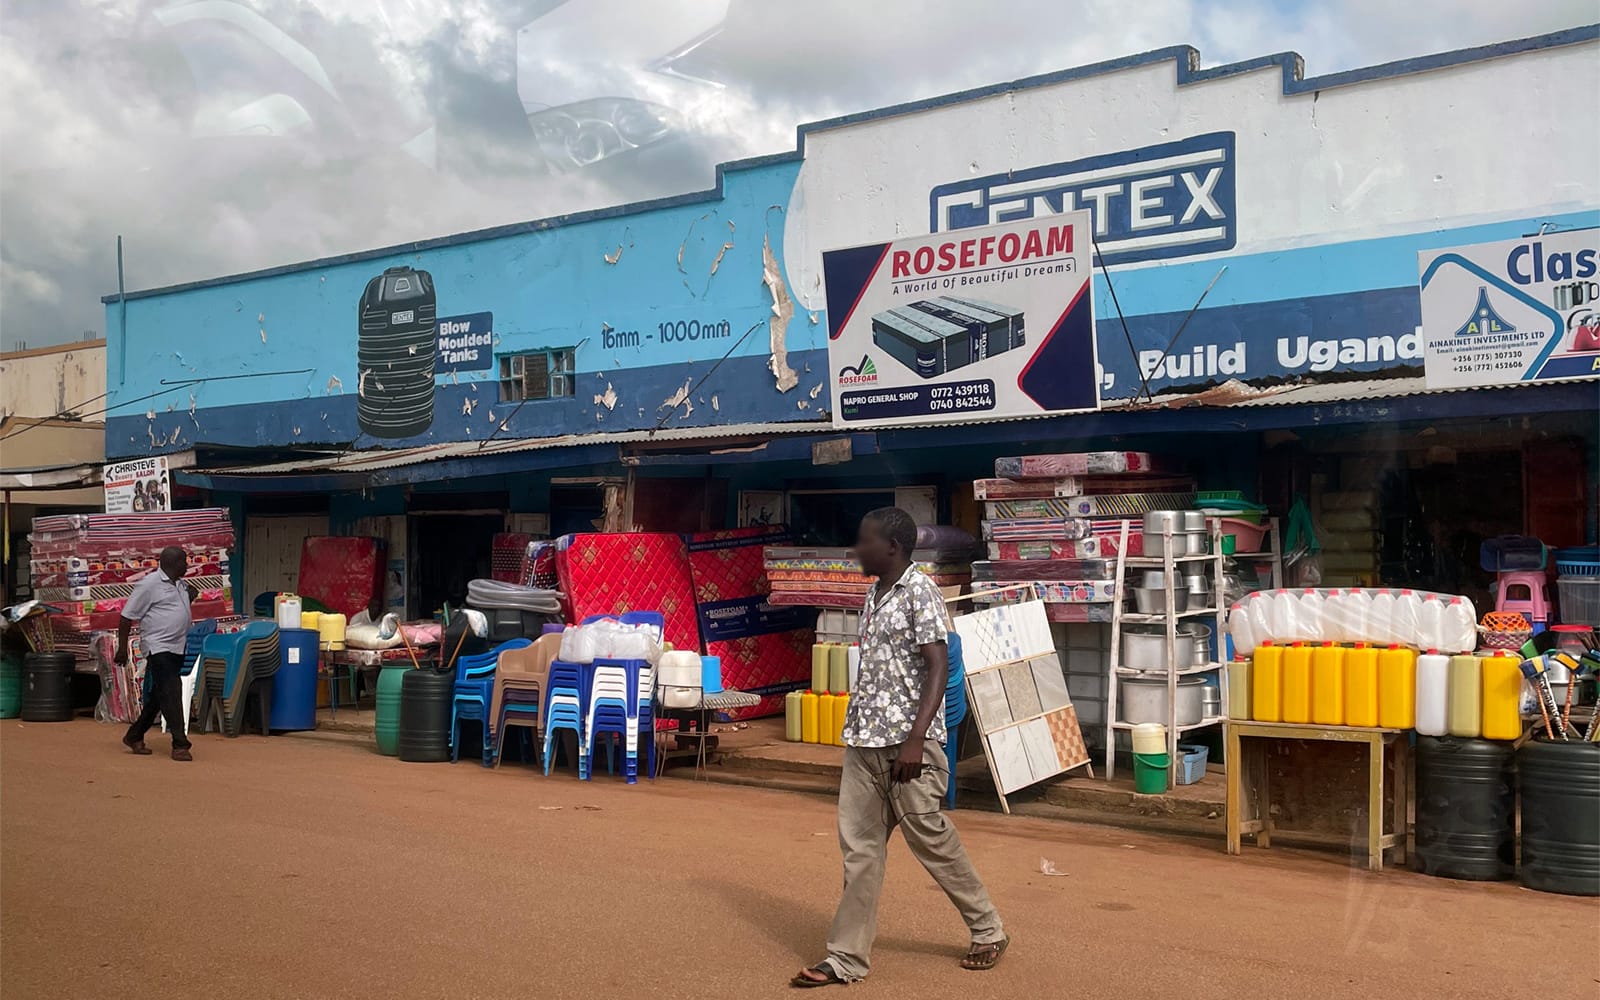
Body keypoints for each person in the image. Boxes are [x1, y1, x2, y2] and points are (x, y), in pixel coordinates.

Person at [792, 508, 1007, 988]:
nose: (856, 549)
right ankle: (845, 959)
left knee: (931, 840)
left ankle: (988, 930)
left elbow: (938, 666)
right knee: (860, 852)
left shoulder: (920, 592)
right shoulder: (874, 594)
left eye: (864, 541)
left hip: (908, 748)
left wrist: (916, 739)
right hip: (865, 742)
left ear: (891, 547)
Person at [118, 546, 196, 761]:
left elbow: (174, 610)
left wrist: (189, 598)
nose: (186, 565)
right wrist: (122, 649)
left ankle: (134, 735)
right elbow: (126, 617)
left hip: (178, 646)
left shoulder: (181, 585)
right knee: (172, 689)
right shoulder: (149, 584)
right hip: (158, 646)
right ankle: (180, 744)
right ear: (172, 563)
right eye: (183, 561)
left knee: (161, 694)